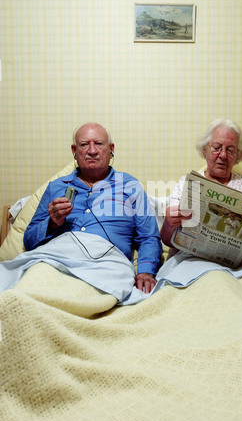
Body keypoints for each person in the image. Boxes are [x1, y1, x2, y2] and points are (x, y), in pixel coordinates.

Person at [24, 122, 162, 293]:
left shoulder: (130, 186)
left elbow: (149, 237)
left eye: (98, 144)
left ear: (111, 149)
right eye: (84, 145)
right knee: (31, 285)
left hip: (108, 266)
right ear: (74, 151)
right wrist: (51, 224)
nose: (92, 151)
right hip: (57, 261)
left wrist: (146, 272)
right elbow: (28, 241)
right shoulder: (56, 187)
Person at [160, 118, 242, 250]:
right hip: (196, 261)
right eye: (217, 148)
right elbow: (168, 241)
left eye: (230, 150)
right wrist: (168, 224)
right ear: (205, 150)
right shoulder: (187, 184)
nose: (223, 155)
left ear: (237, 155)